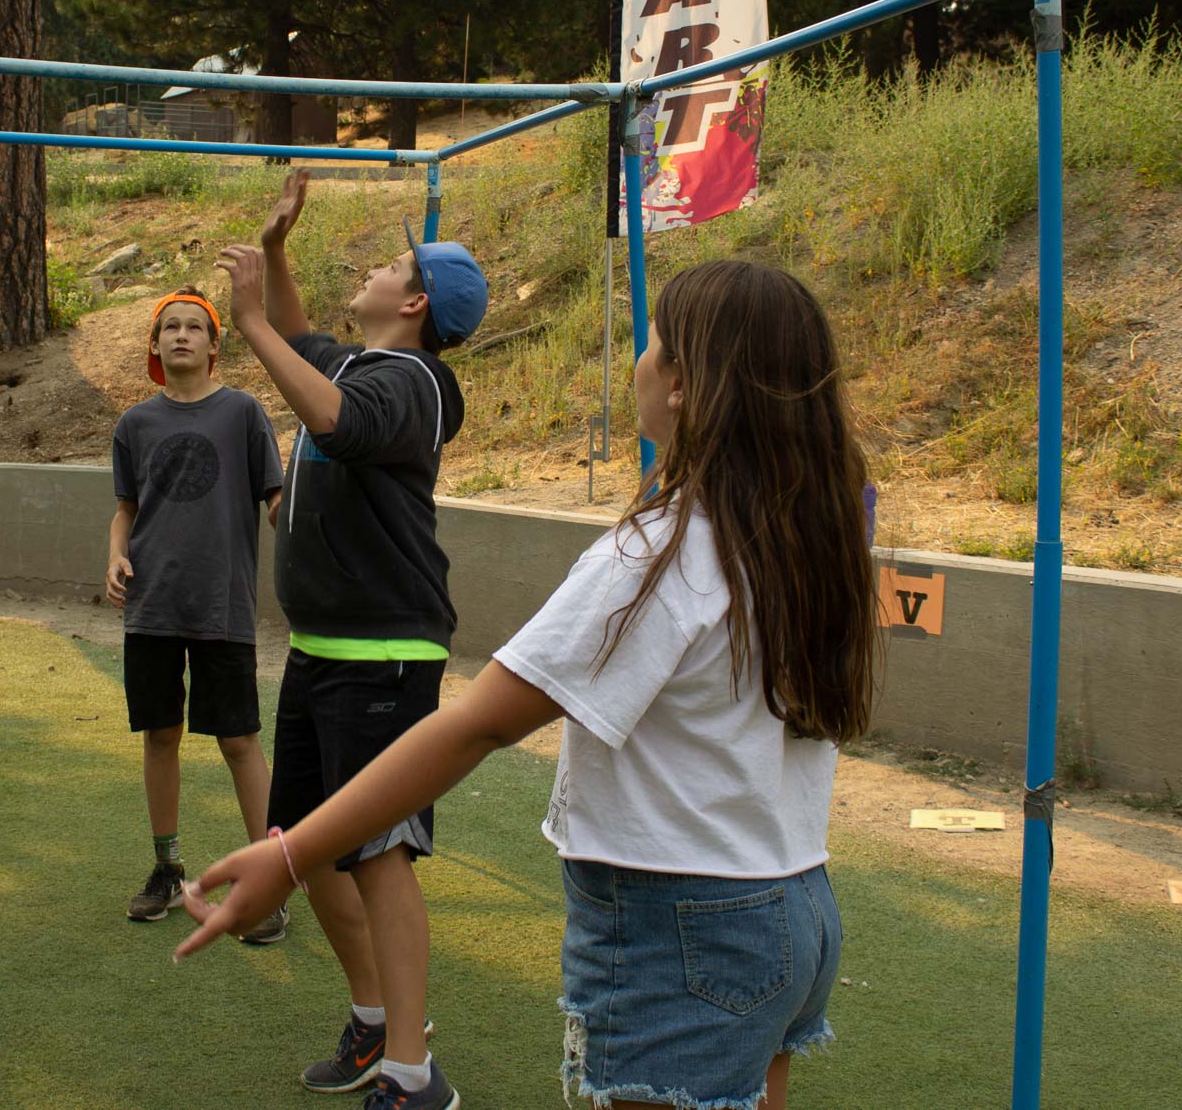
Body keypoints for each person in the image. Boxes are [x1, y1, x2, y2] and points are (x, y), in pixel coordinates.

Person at [178, 260, 880, 1110]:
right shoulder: (808, 541)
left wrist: (289, 854)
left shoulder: (657, 559)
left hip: (687, 925)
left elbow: (478, 725)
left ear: (685, 385)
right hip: (796, 906)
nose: (640, 360)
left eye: (654, 342)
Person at [209, 170, 488, 1109]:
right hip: (323, 648)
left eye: (392, 264)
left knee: (377, 852)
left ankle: (414, 1072)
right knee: (305, 845)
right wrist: (275, 252)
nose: (373, 266)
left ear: (414, 303)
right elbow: (302, 346)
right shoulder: (365, 363)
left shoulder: (413, 382)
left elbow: (331, 416)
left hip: (383, 655)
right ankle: (374, 1021)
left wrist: (247, 321)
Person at [107, 286, 289, 943]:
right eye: (170, 327)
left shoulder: (243, 413)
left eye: (194, 327)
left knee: (239, 740)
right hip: (152, 604)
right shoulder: (134, 425)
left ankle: (268, 883)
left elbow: (276, 499)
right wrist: (115, 555)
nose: (181, 335)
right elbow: (127, 509)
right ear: (154, 346)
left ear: (215, 346)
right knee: (161, 735)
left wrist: (305, 526)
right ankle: (166, 867)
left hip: (223, 605)